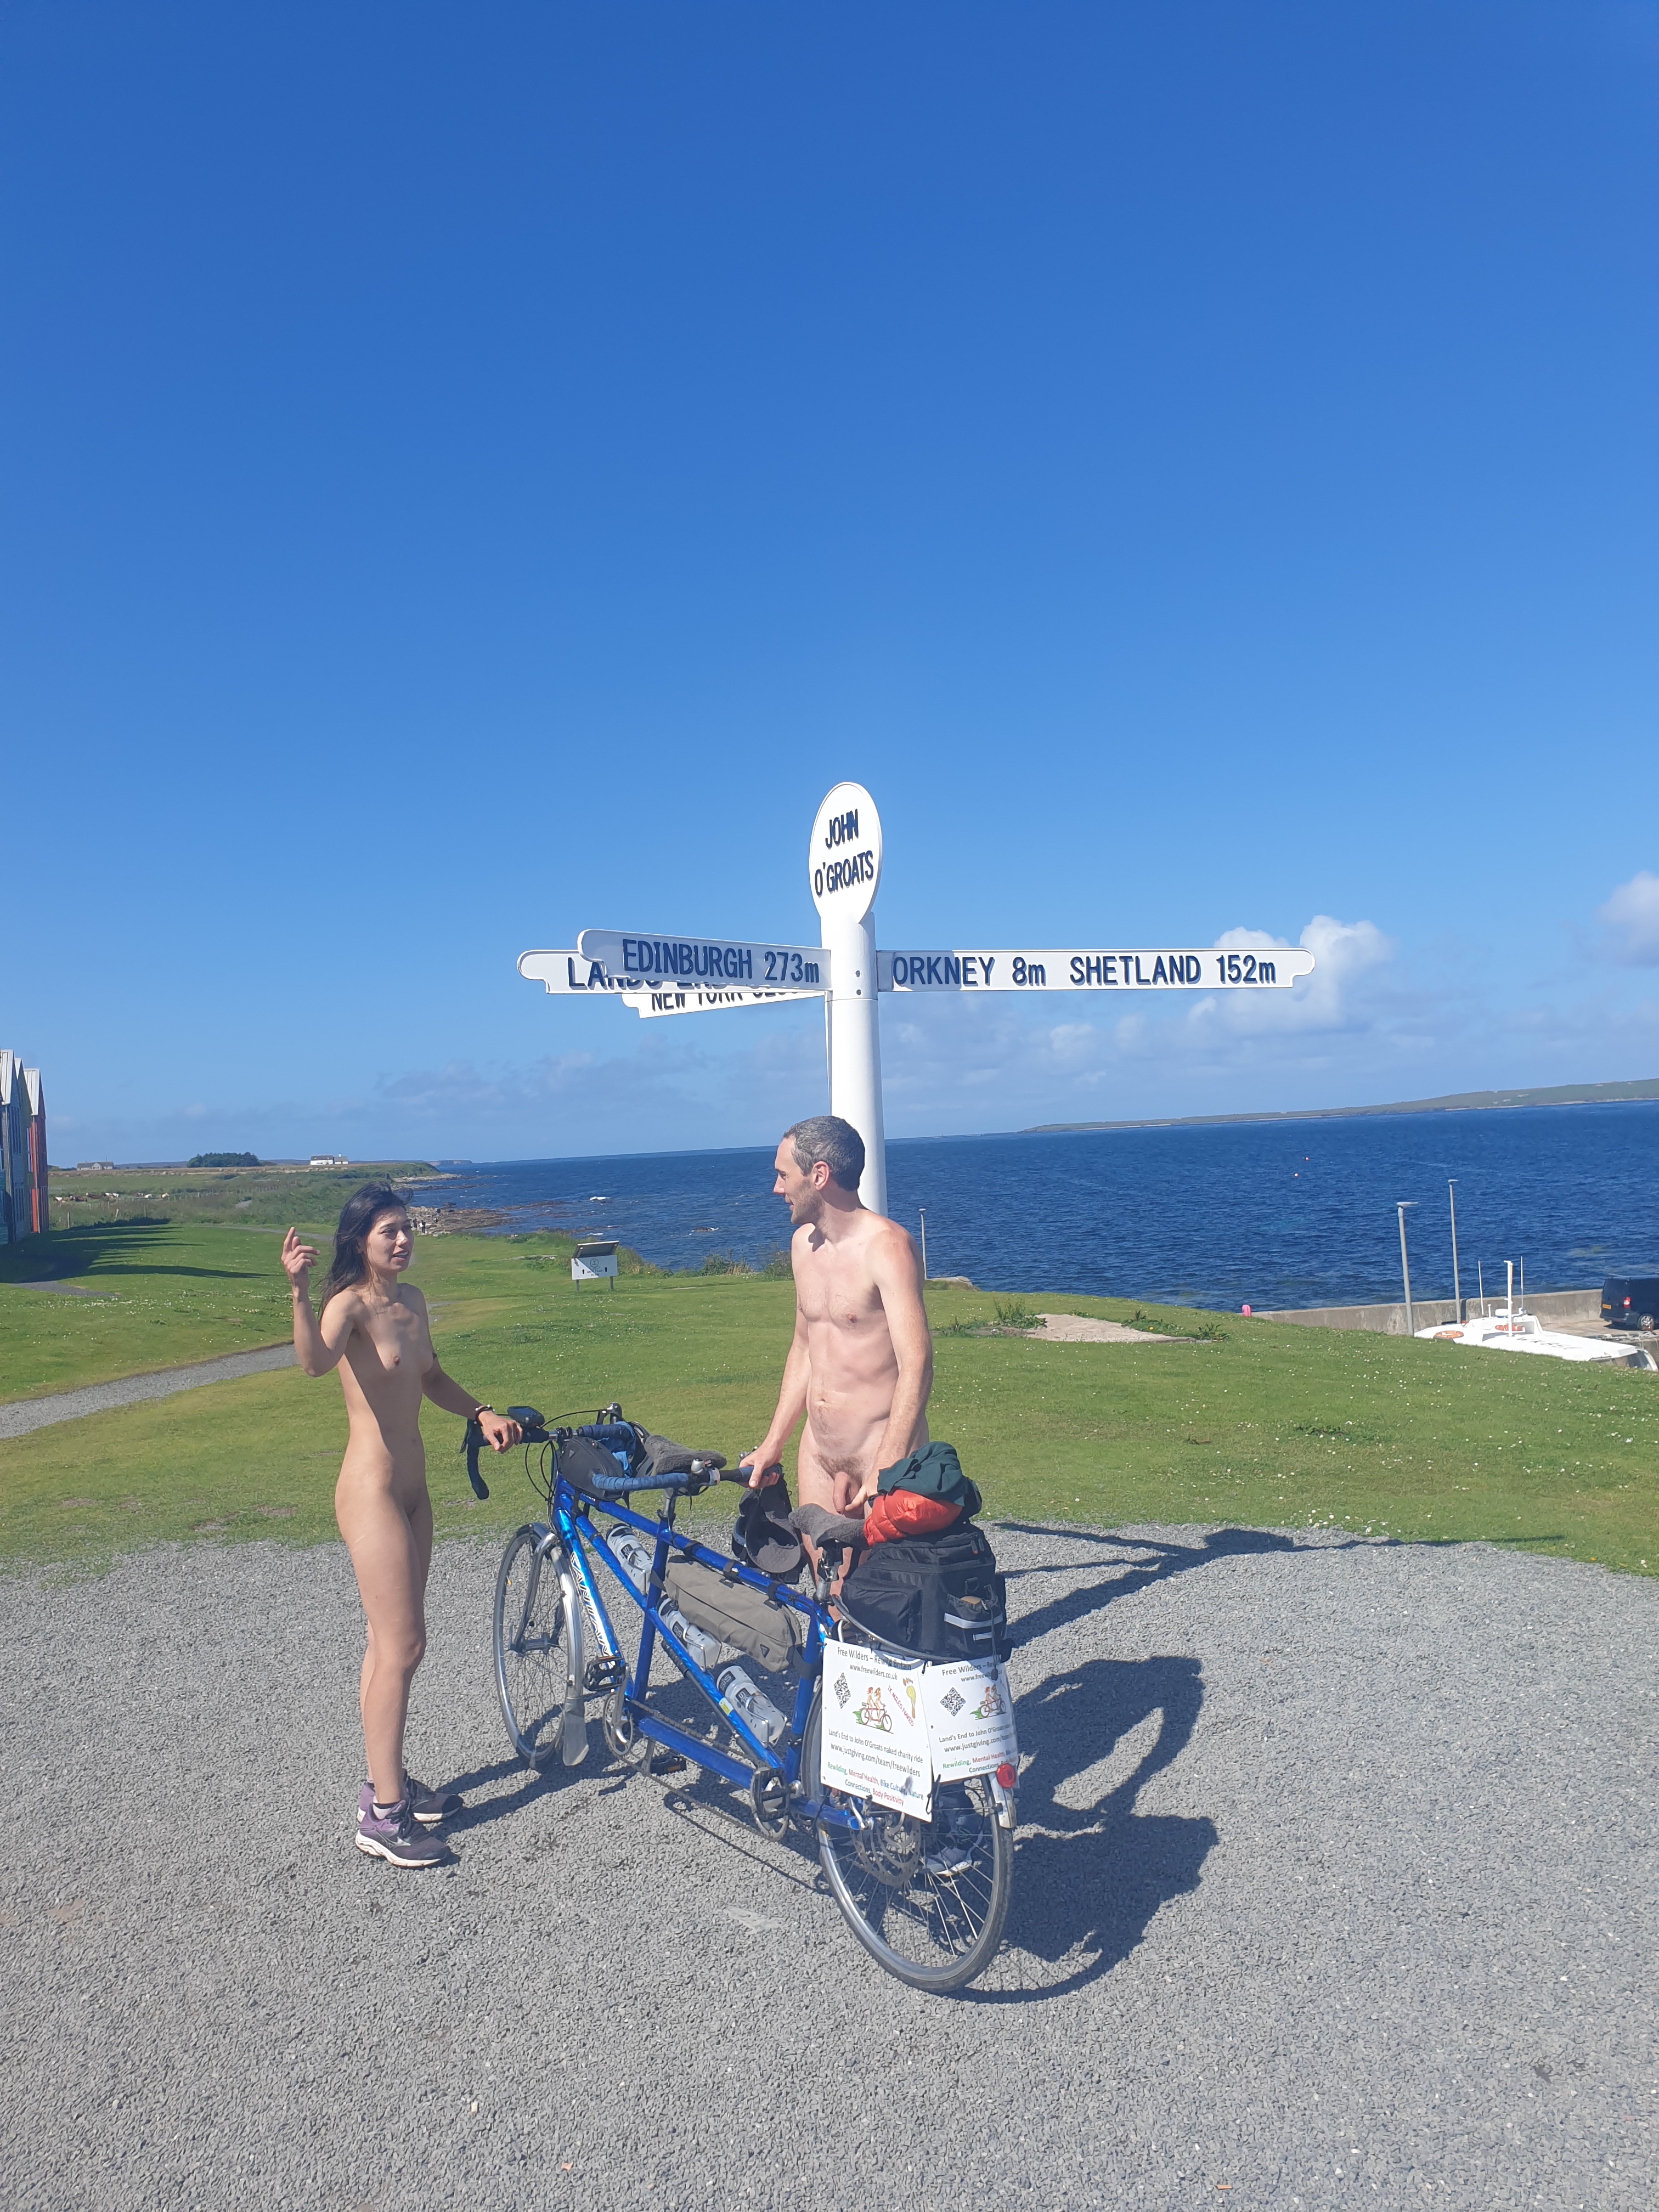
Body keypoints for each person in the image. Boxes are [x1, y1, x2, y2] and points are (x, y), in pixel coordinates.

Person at [282, 1185, 520, 1868]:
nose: (402, 1240)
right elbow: (312, 1363)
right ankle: (385, 1814)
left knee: (388, 1644)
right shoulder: (348, 1306)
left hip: (415, 1494)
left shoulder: (411, 1304)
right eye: (389, 1231)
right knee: (405, 1644)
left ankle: (385, 1782)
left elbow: (433, 1377)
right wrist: (299, 1293)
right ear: (361, 1239)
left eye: (407, 1229)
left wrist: (481, 1413)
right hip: (371, 1493)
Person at [744, 1116, 932, 1523]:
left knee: (884, 1584)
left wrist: (890, 1458)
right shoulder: (802, 1247)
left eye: (783, 1175)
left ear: (819, 1175)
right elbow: (804, 1348)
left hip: (879, 1450)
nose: (777, 1188)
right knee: (823, 1584)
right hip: (818, 1451)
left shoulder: (888, 1248)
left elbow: (916, 1364)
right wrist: (773, 1443)